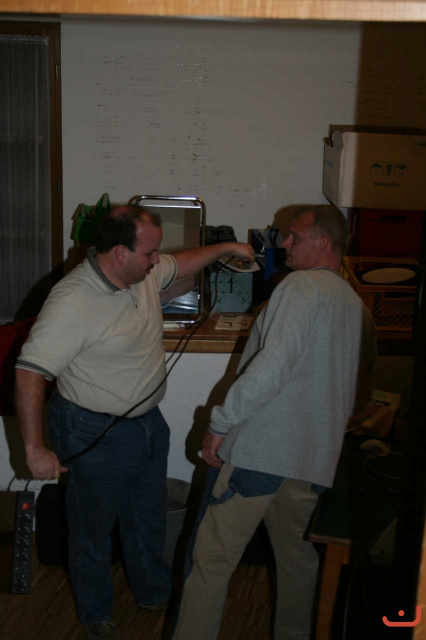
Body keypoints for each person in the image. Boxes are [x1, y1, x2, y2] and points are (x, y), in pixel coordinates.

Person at [14, 204, 255, 640]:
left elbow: (181, 264)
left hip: (146, 422)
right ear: (120, 252)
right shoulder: (73, 301)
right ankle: (95, 612)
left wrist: (226, 249)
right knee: (92, 530)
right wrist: (34, 448)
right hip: (91, 428)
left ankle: (152, 592)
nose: (157, 261)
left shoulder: (139, 274)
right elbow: (30, 370)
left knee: (147, 516)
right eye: (149, 253)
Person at [172, 204, 376, 640]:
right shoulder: (354, 303)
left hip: (261, 454)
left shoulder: (300, 286)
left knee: (211, 562)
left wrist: (222, 422)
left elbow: (273, 364)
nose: (284, 243)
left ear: (323, 243)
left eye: (294, 237)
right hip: (311, 459)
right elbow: (357, 388)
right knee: (298, 560)